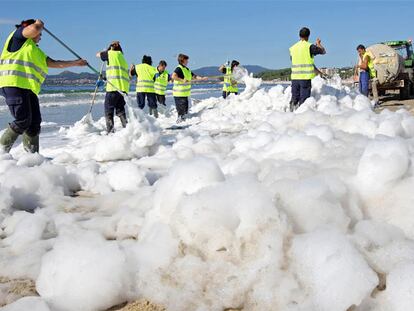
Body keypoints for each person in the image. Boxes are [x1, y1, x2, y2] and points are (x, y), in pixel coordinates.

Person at [0, 19, 87, 153]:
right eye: (40, 34)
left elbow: (55, 63)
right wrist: (38, 24)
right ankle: (1, 152)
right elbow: (34, 29)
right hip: (13, 85)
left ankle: (32, 158)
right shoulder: (17, 38)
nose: (40, 37)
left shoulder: (36, 51)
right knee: (23, 120)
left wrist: (76, 63)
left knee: (34, 124)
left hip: (29, 89)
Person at [289, 27, 326, 112]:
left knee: (294, 99)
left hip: (294, 78)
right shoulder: (309, 46)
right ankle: (302, 119)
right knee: (304, 101)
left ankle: (290, 115)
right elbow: (323, 51)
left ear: (299, 35)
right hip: (304, 78)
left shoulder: (293, 48)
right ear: (308, 36)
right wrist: (318, 44)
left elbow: (293, 60)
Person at [96, 41, 129, 133]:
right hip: (122, 89)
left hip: (113, 89)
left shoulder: (110, 54)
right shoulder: (122, 57)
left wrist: (105, 51)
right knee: (120, 110)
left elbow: (97, 55)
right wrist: (105, 79)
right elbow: (117, 72)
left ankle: (110, 132)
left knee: (108, 110)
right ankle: (127, 130)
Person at [171, 53, 208, 123]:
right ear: (182, 60)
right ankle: (179, 123)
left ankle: (183, 123)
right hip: (179, 94)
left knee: (185, 111)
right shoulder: (179, 68)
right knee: (181, 112)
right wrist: (182, 80)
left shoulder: (187, 69)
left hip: (185, 94)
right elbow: (173, 76)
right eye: (186, 60)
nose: (187, 62)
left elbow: (194, 76)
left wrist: (202, 78)